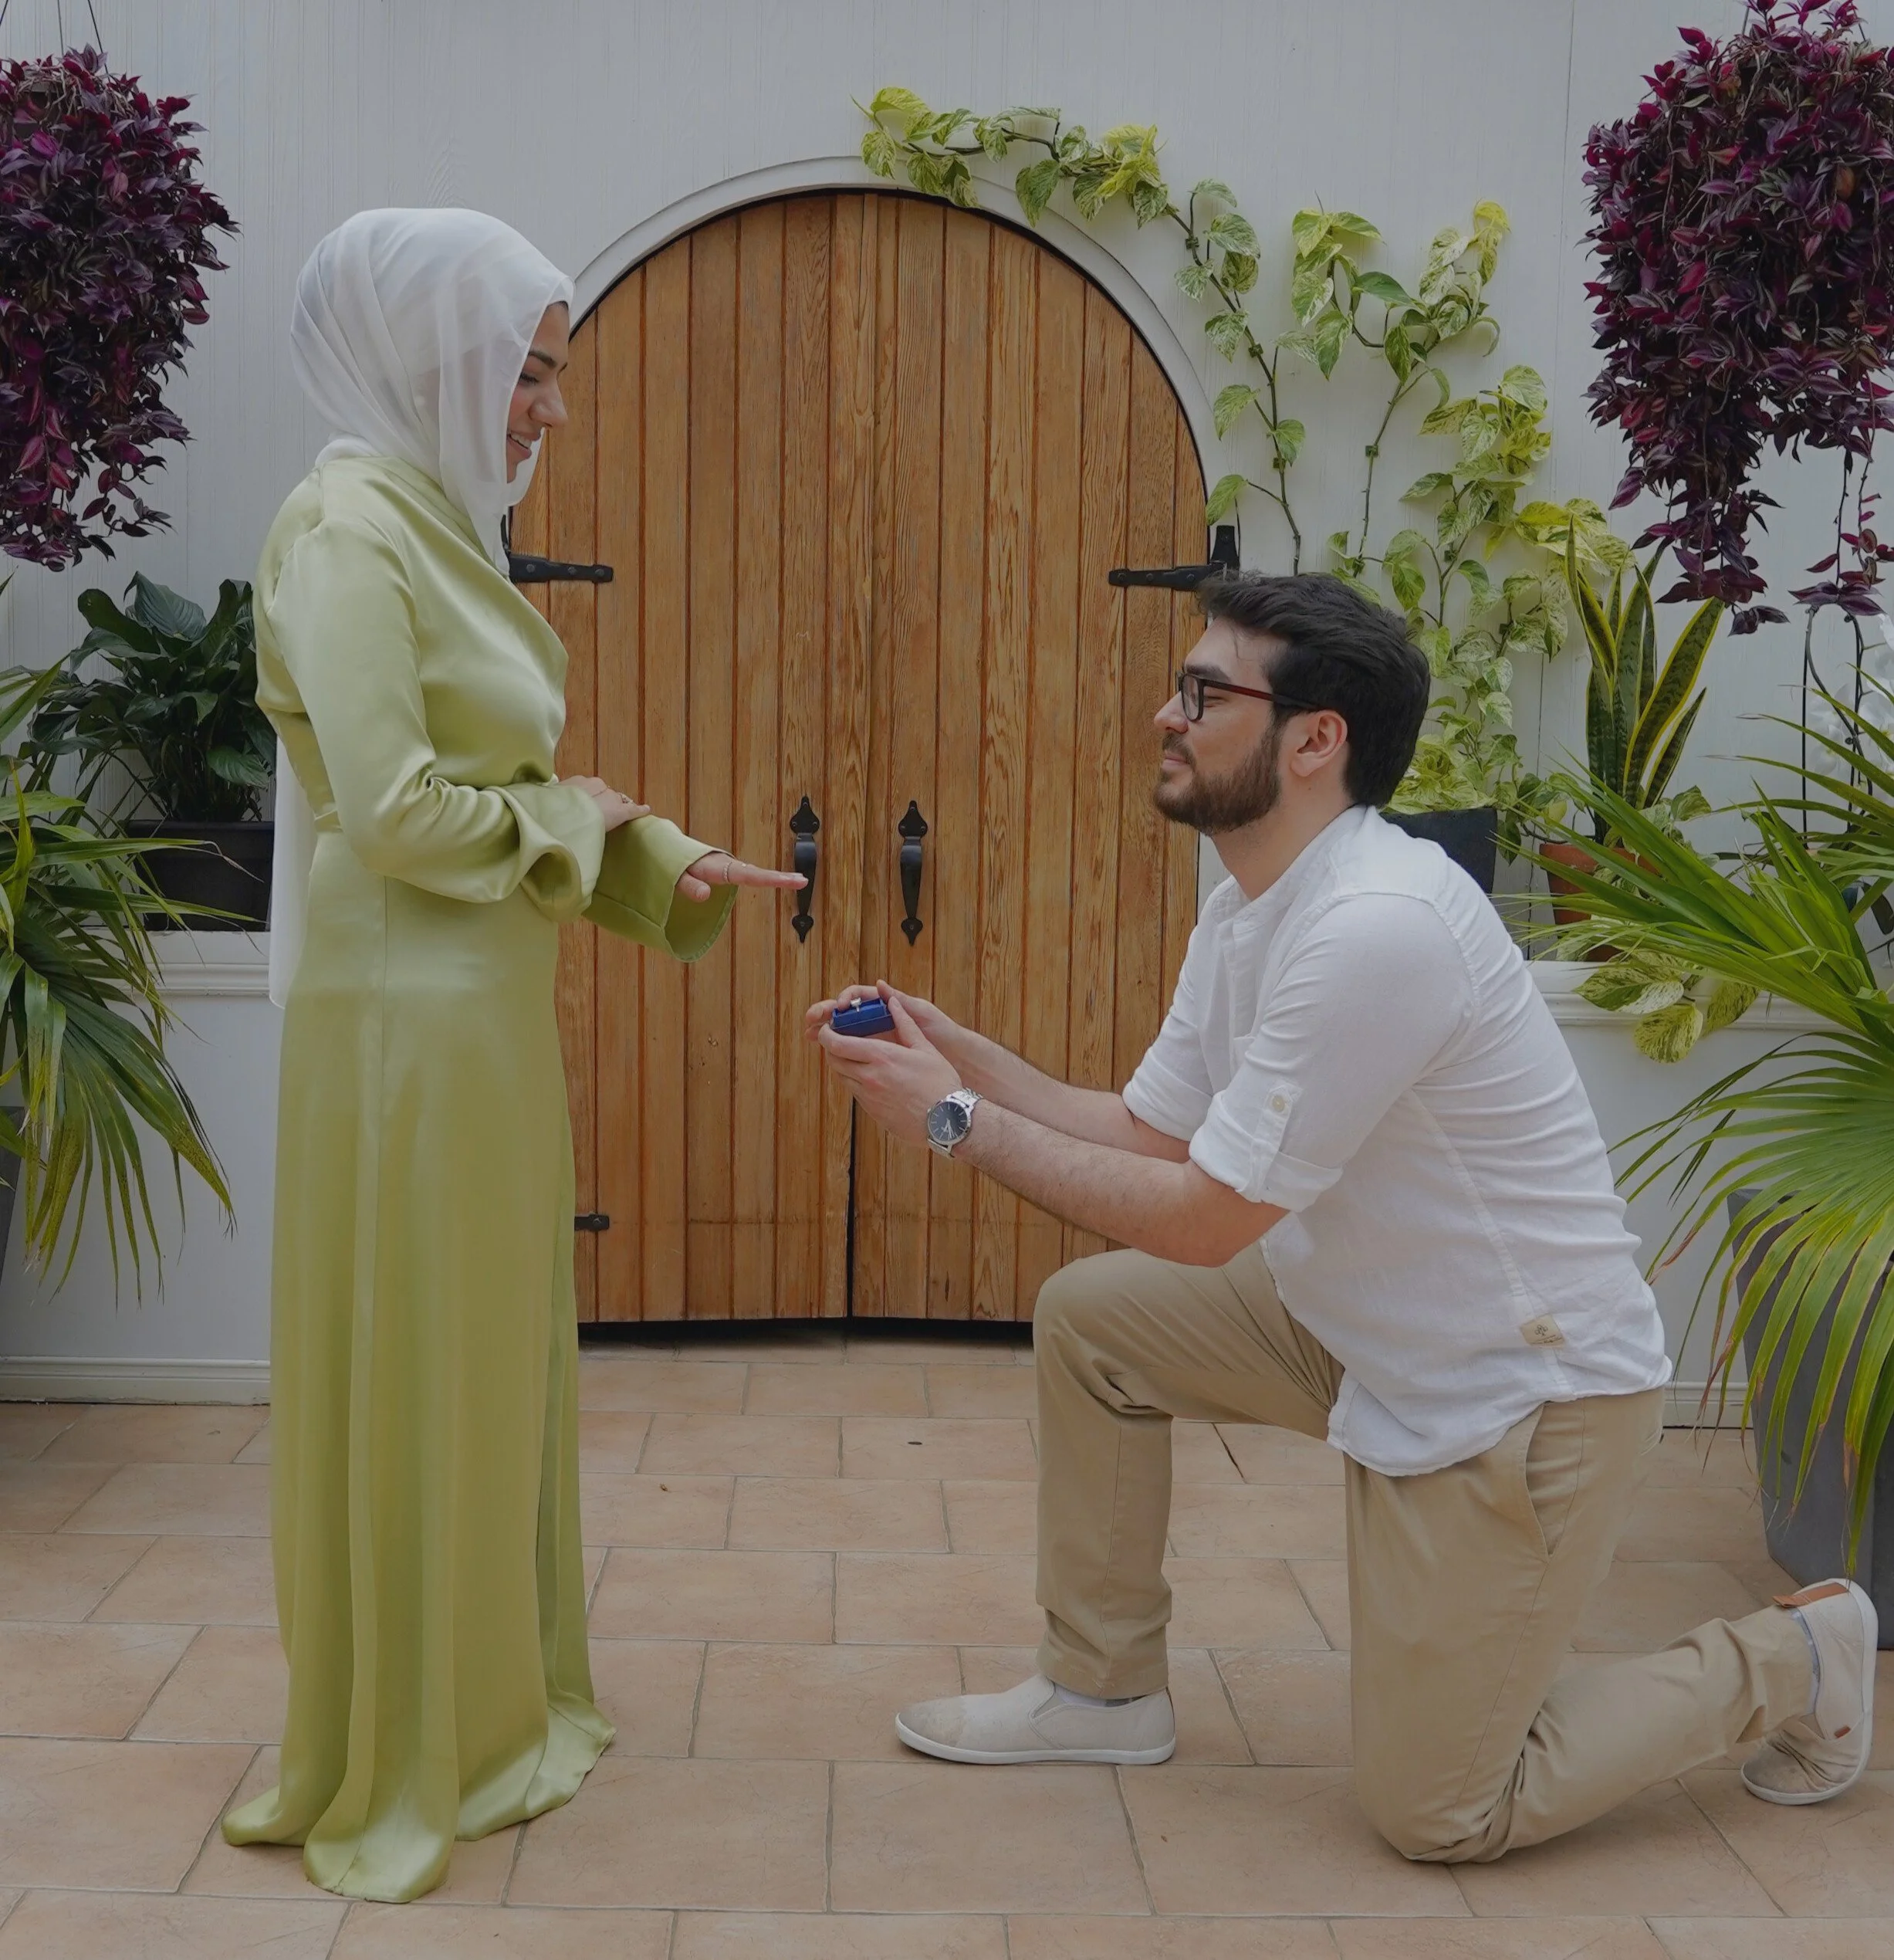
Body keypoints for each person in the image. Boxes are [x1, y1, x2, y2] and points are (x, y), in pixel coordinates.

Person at [810, 570, 1876, 1862]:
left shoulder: (1377, 925)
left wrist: (947, 1122)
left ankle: (1797, 1653)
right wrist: (962, 1059)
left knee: (1437, 1810)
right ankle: (1101, 1688)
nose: (1166, 710)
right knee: (1094, 1320)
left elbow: (1202, 1220)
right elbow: (1153, 1137)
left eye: (1204, 691)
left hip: (1519, 1391)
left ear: (1316, 739)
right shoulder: (1252, 897)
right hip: (1353, 1320)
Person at [225, 207, 801, 1902]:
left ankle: (487, 1713)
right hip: (403, 1018)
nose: (547, 408)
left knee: (483, 1355)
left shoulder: (425, 520)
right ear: (434, 358)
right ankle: (403, 1743)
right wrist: (583, 820)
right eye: (527, 372)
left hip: (470, 1010)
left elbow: (497, 802)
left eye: (552, 375)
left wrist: (655, 856)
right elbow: (397, 814)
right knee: (419, 1358)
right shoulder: (346, 529)